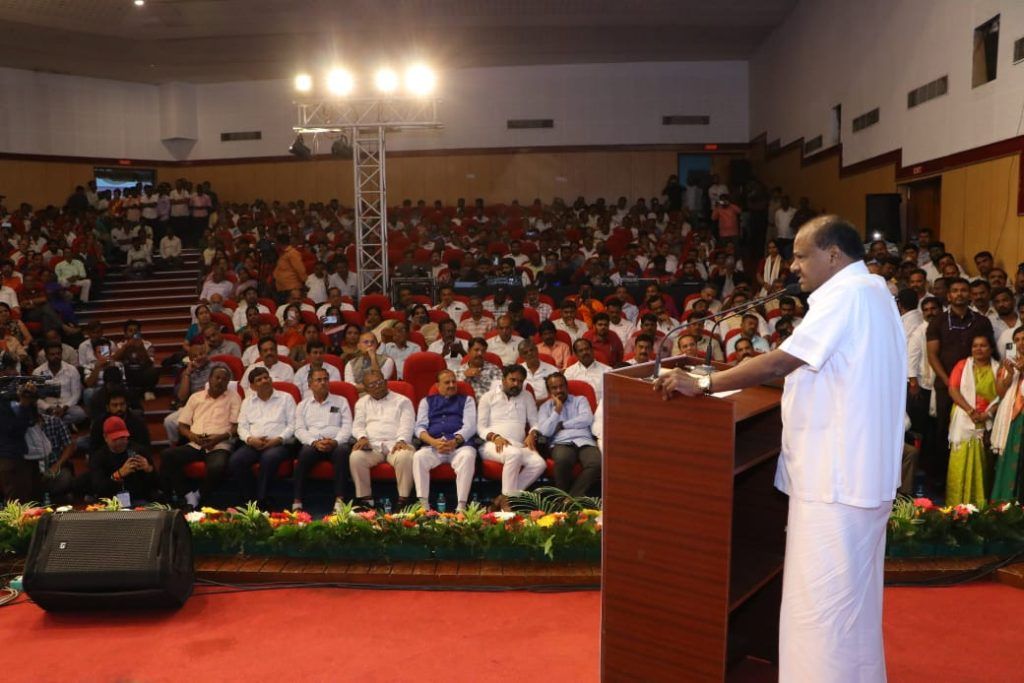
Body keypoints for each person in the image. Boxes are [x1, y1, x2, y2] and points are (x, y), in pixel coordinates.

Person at [655, 216, 904, 682]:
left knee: (820, 612)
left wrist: (704, 383)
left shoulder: (848, 295)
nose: (792, 266)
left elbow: (781, 362)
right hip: (857, 479)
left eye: (801, 256)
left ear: (833, 255)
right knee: (854, 607)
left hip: (834, 483)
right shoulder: (874, 292)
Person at [927, 277, 994, 488]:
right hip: (947, 385)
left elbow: (989, 350)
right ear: (948, 295)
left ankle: (977, 481)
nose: (959, 294)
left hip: (978, 385)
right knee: (944, 431)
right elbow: (932, 355)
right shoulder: (938, 321)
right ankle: (944, 482)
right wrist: (950, 383)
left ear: (970, 294)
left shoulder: (981, 321)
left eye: (964, 290)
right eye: (955, 290)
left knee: (978, 432)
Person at [159, 365, 241, 510]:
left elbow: (236, 427)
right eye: (217, 377)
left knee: (217, 467)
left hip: (220, 443)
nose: (220, 381)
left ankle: (199, 495)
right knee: (167, 455)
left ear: (228, 383)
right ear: (209, 379)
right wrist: (191, 436)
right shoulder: (196, 397)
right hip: (196, 442)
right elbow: (182, 425)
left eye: (224, 379)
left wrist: (219, 438)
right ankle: (185, 494)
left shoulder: (234, 397)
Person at [944, 334, 1001, 508]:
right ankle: (956, 507)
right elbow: (953, 389)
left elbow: (1001, 396)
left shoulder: (998, 369)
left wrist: (987, 414)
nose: (978, 349)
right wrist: (970, 411)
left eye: (983, 345)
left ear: (991, 348)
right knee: (959, 462)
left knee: (983, 466)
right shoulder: (962, 365)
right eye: (975, 345)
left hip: (986, 422)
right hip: (963, 419)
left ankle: (979, 508)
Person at [477, 364, 545, 510]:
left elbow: (535, 422)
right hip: (492, 445)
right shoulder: (488, 397)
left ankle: (504, 497)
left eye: (520, 381)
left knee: (539, 463)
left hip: (518, 444)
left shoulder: (527, 396)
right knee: (514, 454)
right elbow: (480, 428)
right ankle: (507, 506)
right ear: (503, 379)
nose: (516, 384)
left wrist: (532, 433)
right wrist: (495, 437)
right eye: (512, 380)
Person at [228, 366, 296, 508]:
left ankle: (262, 499)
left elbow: (293, 424)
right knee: (236, 460)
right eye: (259, 380)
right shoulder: (247, 402)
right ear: (252, 386)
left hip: (279, 443)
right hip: (254, 443)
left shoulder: (286, 398)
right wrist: (250, 439)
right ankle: (250, 499)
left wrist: (279, 439)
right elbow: (242, 426)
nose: (264, 381)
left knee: (268, 458)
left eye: (266, 377)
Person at [348, 370, 415, 509]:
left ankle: (404, 500)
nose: (377, 386)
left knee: (405, 456)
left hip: (396, 443)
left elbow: (407, 424)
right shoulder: (362, 403)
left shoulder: (402, 401)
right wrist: (362, 437)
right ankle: (366, 501)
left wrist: (402, 440)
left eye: (379, 382)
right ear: (366, 389)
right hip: (372, 445)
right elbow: (358, 425)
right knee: (356, 457)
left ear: (385, 382)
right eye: (372, 385)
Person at [412, 369, 477, 511]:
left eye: (454, 382)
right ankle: (424, 506)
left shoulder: (467, 400)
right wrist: (433, 442)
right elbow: (419, 427)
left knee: (468, 456)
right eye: (447, 382)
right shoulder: (426, 401)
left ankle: (461, 507)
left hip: (460, 446)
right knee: (418, 457)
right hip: (434, 446)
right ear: (437, 385)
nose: (452, 385)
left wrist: (455, 440)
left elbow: (470, 426)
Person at [292, 367, 353, 511]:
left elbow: (347, 426)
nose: (323, 383)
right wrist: (314, 442)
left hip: (336, 443)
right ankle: (297, 500)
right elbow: (299, 429)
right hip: (313, 443)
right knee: (304, 454)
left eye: (326, 379)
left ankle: (339, 500)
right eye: (318, 380)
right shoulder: (303, 405)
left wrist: (335, 441)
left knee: (342, 452)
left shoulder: (340, 401)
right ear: (310, 385)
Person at [536, 372, 601, 496]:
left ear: (566, 386)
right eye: (554, 388)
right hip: (561, 442)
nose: (559, 390)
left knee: (597, 463)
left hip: (584, 440)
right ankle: (564, 498)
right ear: (549, 391)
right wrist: (557, 411)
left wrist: (562, 425)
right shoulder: (545, 408)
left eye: (561, 386)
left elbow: (586, 418)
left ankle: (569, 499)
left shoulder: (580, 400)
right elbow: (545, 431)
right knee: (562, 460)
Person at [88, 416, 160, 504]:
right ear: (105, 438)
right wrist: (119, 474)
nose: (119, 442)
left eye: (122, 438)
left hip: (139, 499)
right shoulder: (98, 457)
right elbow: (98, 488)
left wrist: (149, 469)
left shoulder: (139, 451)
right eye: (115, 439)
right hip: (111, 501)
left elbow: (157, 484)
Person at [0, 352, 39, 502]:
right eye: (11, 368)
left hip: (22, 453)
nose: (16, 373)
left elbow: (32, 421)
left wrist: (29, 402)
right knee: (15, 503)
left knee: (28, 498)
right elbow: (12, 428)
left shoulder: (14, 393)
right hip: (7, 456)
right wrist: (23, 404)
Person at [992, 326, 1024, 501]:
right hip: (1012, 419)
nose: (1020, 343)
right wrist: (1011, 374)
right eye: (1017, 340)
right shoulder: (1009, 364)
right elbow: (1000, 393)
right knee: (1011, 460)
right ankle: (1005, 505)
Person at [33, 340, 85, 425]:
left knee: (80, 414)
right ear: (46, 356)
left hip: (67, 406)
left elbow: (76, 394)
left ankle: (53, 424)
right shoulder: (38, 372)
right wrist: (49, 408)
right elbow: (36, 397)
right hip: (47, 406)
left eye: (58, 354)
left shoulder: (72, 370)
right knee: (36, 412)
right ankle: (65, 425)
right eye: (52, 354)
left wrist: (63, 408)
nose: (56, 356)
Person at [564, 338, 610, 402]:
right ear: (576, 355)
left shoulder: (607, 371)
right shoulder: (569, 372)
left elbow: (611, 395)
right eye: (581, 351)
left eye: (587, 349)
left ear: (592, 350)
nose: (585, 352)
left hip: (600, 406)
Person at [519, 338, 558, 402]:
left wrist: (540, 403)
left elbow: (557, 392)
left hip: (547, 404)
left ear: (537, 350)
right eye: (525, 352)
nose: (530, 353)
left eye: (532, 350)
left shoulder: (552, 370)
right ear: (521, 356)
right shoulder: (517, 371)